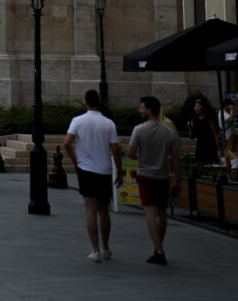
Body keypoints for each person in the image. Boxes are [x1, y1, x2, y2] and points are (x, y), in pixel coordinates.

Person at [64, 89, 123, 262]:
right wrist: (119, 171)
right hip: (104, 169)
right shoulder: (109, 123)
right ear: (99, 102)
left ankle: (95, 250)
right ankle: (106, 247)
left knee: (90, 209)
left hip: (86, 169)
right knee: (104, 210)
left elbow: (67, 143)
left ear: (85, 102)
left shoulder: (78, 121)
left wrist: (76, 161)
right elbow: (115, 150)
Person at [127, 95, 181, 266]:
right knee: (162, 211)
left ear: (149, 109)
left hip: (145, 175)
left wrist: (140, 157)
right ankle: (159, 247)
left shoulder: (139, 130)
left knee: (149, 211)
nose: (140, 110)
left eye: (142, 107)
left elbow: (129, 153)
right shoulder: (168, 132)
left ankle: (158, 250)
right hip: (163, 175)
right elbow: (175, 159)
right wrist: (178, 181)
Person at [188, 98, 220, 165]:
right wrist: (191, 127)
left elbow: (215, 135)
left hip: (210, 147)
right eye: (195, 106)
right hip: (200, 148)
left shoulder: (209, 118)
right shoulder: (194, 119)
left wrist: (220, 150)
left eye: (198, 106)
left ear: (203, 107)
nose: (195, 108)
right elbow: (191, 137)